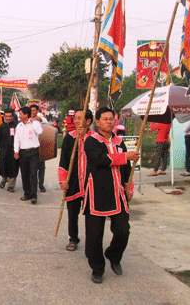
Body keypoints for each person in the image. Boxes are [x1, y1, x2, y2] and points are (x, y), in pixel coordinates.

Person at [83, 107, 139, 284]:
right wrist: (125, 156)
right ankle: (97, 268)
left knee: (123, 230)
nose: (109, 122)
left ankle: (114, 255)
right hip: (97, 192)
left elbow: (126, 168)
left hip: (117, 192)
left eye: (111, 119)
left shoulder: (119, 142)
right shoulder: (91, 141)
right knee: (94, 235)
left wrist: (129, 187)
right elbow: (102, 160)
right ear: (97, 122)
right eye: (105, 119)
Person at [58, 109, 93, 251]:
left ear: (88, 121)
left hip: (91, 181)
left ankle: (92, 241)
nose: (76, 121)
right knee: (72, 212)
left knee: (92, 215)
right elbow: (64, 161)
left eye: (80, 118)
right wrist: (62, 180)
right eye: (76, 118)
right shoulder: (69, 138)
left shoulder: (95, 138)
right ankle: (73, 238)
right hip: (73, 181)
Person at [14, 106, 43, 204]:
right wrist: (16, 151)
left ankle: (34, 195)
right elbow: (16, 139)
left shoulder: (35, 123)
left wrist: (34, 121)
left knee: (33, 173)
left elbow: (40, 132)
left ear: (26, 114)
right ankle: (27, 193)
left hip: (33, 152)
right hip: (23, 152)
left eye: (21, 113)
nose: (19, 116)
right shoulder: (19, 126)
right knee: (24, 174)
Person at [0, 108, 19, 192]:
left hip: (13, 150)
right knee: (3, 166)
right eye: (6, 116)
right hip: (4, 150)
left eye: (10, 116)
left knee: (13, 167)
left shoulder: (17, 126)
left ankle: (11, 185)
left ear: (13, 117)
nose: (8, 118)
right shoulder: (1, 127)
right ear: (4, 116)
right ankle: (4, 179)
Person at [30, 104, 47, 193]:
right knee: (31, 168)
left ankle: (41, 184)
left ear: (37, 111)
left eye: (34, 110)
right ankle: (32, 185)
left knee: (41, 167)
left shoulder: (41, 119)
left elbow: (47, 125)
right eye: (31, 110)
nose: (32, 112)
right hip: (30, 147)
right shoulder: (27, 120)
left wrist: (39, 121)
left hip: (40, 147)